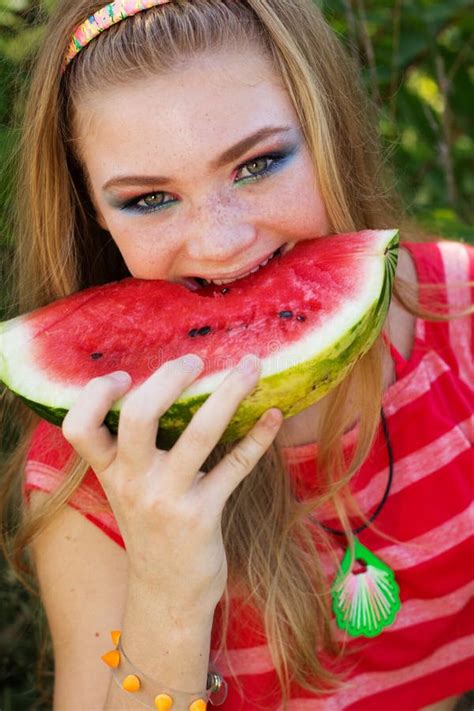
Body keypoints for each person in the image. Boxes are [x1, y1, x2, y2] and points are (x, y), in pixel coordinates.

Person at [0, 0, 472, 709]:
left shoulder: (461, 314)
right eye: (150, 197)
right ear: (94, 210)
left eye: (258, 164)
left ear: (328, 132)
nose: (220, 243)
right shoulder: (93, 456)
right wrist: (168, 587)